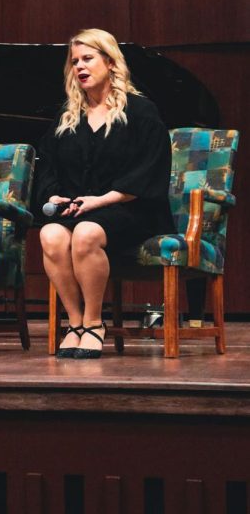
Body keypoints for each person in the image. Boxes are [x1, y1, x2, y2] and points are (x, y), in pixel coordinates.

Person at [37, 28, 174, 359]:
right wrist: (54, 196)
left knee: (85, 234)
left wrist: (102, 200)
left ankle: (94, 323)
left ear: (111, 62)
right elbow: (48, 165)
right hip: (82, 208)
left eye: (88, 59)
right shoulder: (69, 115)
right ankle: (74, 324)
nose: (80, 67)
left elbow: (149, 171)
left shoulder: (141, 111)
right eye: (75, 62)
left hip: (133, 208)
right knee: (51, 235)